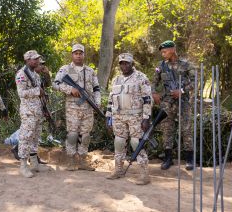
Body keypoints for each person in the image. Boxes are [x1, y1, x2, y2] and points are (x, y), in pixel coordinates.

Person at [52, 44, 101, 171]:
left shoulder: (90, 71)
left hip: (88, 108)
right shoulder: (66, 69)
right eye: (76, 53)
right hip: (72, 108)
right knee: (73, 135)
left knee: (85, 136)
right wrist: (70, 89)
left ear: (84, 55)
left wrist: (98, 103)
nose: (78, 55)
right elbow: (55, 84)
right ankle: (71, 160)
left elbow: (96, 89)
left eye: (81, 53)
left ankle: (83, 160)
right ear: (72, 55)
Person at [106, 53, 151, 185]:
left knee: (136, 143)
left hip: (135, 117)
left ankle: (144, 174)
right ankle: (118, 170)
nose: (124, 65)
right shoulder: (116, 80)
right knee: (119, 142)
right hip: (118, 117)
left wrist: (146, 118)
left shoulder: (140, 78)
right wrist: (108, 116)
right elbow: (110, 99)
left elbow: (147, 99)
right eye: (122, 63)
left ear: (132, 64)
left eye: (127, 63)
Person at [152, 40, 195, 170]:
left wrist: (181, 91)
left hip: (183, 102)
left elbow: (196, 82)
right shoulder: (160, 66)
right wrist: (154, 93)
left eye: (165, 51)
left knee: (186, 129)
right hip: (167, 102)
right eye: (162, 52)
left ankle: (189, 159)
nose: (163, 54)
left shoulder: (186, 65)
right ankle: (168, 158)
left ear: (173, 49)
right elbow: (154, 82)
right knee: (167, 129)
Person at [15, 50, 47, 178]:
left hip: (38, 111)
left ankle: (34, 163)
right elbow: (21, 93)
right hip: (28, 112)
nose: (37, 61)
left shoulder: (36, 75)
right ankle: (23, 165)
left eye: (38, 59)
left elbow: (40, 93)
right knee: (26, 137)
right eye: (34, 59)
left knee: (35, 137)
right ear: (27, 60)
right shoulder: (21, 74)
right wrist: (36, 91)